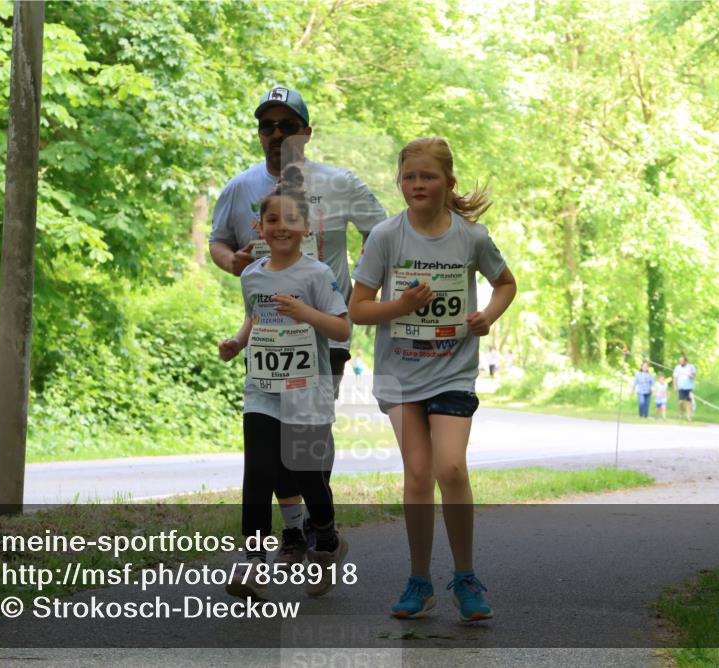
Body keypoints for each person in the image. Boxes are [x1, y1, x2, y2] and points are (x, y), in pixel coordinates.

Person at [210, 87, 387, 566]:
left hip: (324, 330)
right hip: (270, 332)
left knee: (306, 439)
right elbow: (219, 243)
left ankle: (318, 524)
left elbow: (384, 236)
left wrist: (364, 288)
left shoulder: (341, 183)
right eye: (268, 125)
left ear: (306, 133)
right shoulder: (241, 187)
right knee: (270, 440)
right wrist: (237, 265)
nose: (277, 134)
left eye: (287, 125)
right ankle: (293, 532)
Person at [349, 137, 517, 622]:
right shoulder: (385, 237)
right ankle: (419, 580)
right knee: (418, 475)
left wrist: (488, 314)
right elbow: (358, 309)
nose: (417, 185)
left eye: (427, 177)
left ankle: (465, 576)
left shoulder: (471, 237)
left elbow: (506, 283)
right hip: (401, 376)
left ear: (448, 182)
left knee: (451, 469)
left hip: (452, 370)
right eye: (409, 177)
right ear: (400, 182)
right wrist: (401, 306)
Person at [219, 180, 350, 601]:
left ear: (305, 228)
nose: (280, 227)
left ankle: (326, 540)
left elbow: (343, 327)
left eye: (290, 220)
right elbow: (254, 318)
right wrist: (237, 342)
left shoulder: (317, 274)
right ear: (259, 227)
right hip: (262, 390)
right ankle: (253, 562)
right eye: (272, 219)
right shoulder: (253, 275)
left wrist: (305, 312)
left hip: (307, 391)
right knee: (258, 474)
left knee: (308, 477)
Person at [672, 355, 697, 422]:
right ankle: (681, 411)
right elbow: (675, 377)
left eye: (682, 361)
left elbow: (694, 376)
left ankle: (689, 416)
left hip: (689, 387)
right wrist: (675, 386)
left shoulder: (691, 367)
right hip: (681, 387)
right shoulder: (677, 367)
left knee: (689, 402)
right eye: (679, 361)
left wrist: (691, 376)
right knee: (681, 402)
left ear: (685, 361)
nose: (680, 362)